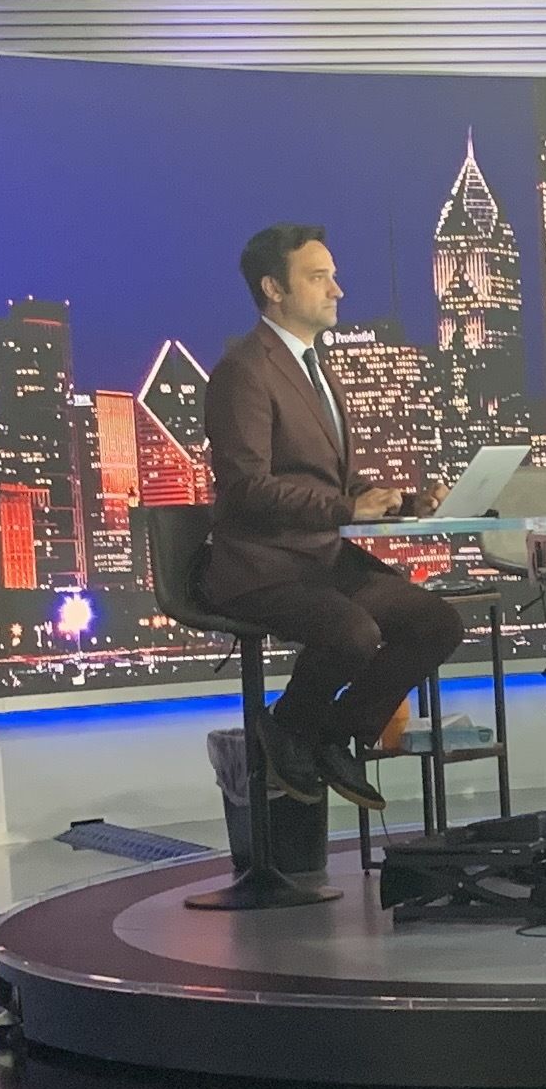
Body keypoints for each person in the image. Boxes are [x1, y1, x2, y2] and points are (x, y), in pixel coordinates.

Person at [201, 222, 464, 808]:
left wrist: (401, 499)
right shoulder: (245, 370)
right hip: (263, 567)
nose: (337, 290)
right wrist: (347, 508)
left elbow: (331, 480)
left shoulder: (315, 368)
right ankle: (293, 726)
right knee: (354, 634)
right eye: (318, 278)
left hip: (320, 558)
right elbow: (247, 488)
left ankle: (326, 733)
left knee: (437, 624)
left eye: (334, 277)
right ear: (274, 288)